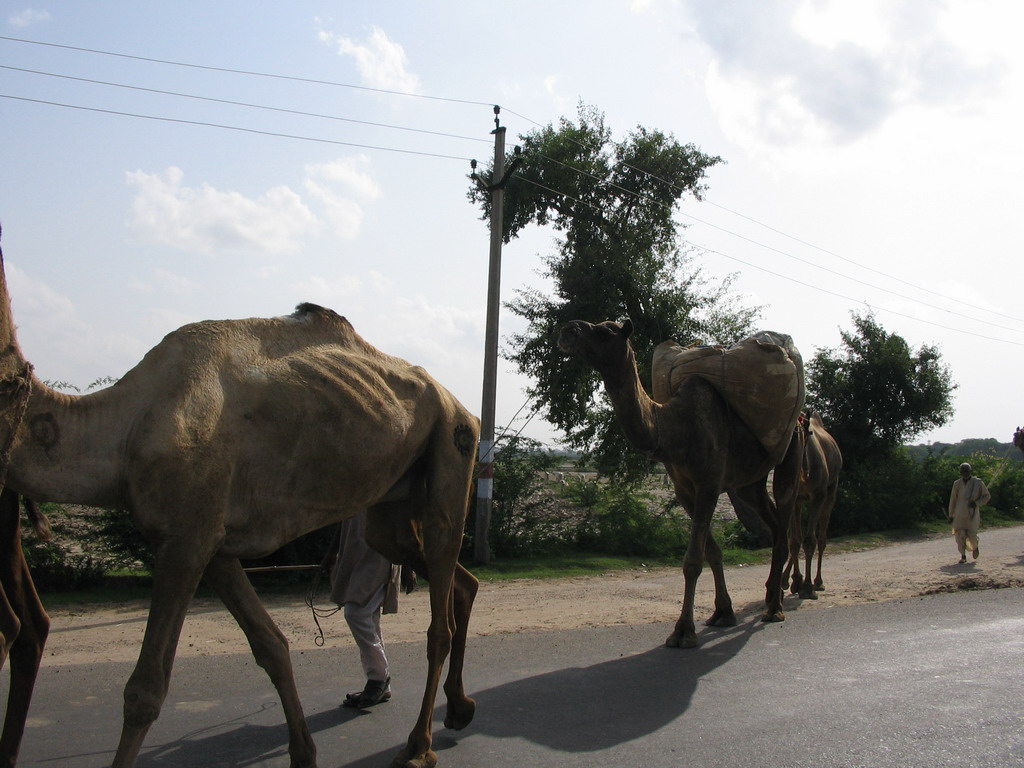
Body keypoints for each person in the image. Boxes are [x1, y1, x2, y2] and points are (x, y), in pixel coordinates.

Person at [322, 511, 414, 708]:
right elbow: (343, 518)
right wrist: (332, 552)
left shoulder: (385, 480)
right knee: (369, 617)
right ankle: (380, 683)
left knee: (356, 613)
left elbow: (403, 516)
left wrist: (408, 564)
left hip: (380, 553)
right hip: (355, 551)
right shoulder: (350, 483)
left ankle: (379, 678)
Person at [948, 462, 991, 564]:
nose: (965, 473)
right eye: (963, 471)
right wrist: (951, 515)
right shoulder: (957, 484)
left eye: (967, 471)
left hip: (972, 514)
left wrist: (977, 503)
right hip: (959, 513)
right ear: (960, 472)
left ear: (970, 471)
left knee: (972, 535)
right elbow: (953, 500)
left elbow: (986, 496)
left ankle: (975, 547)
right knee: (959, 535)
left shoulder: (978, 483)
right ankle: (963, 556)